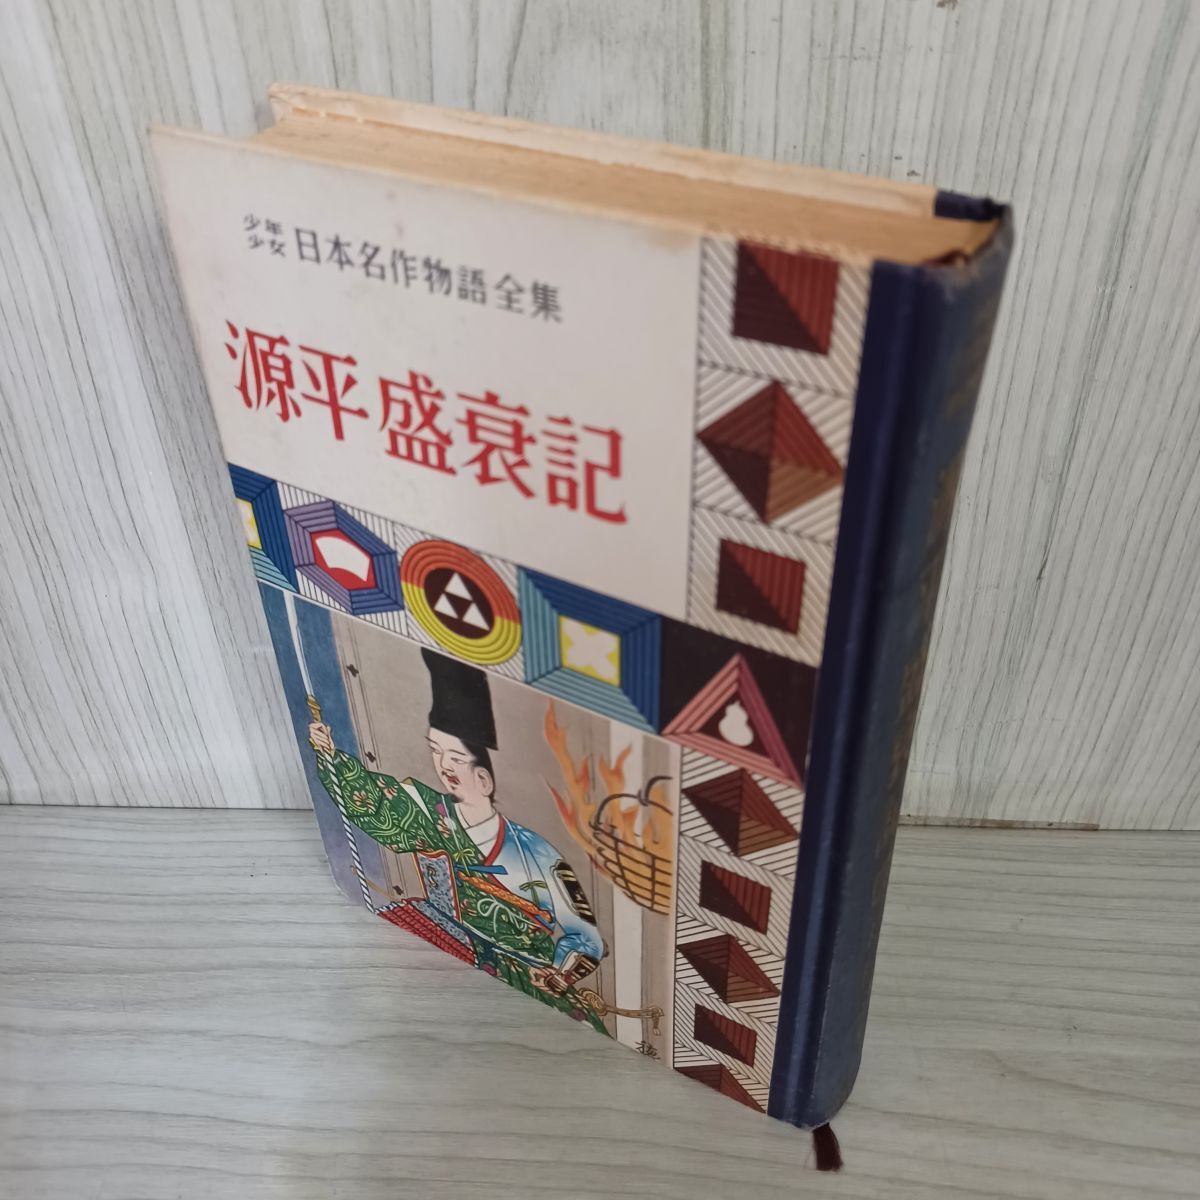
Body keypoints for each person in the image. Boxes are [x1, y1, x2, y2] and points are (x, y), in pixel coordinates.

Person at [308, 648, 608, 1031]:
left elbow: (585, 937)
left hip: (525, 970)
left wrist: (559, 976)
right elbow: (375, 803)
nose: (443, 766)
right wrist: (330, 755)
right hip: (442, 945)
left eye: (456, 757)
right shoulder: (428, 812)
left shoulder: (538, 853)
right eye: (436, 752)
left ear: (484, 778)